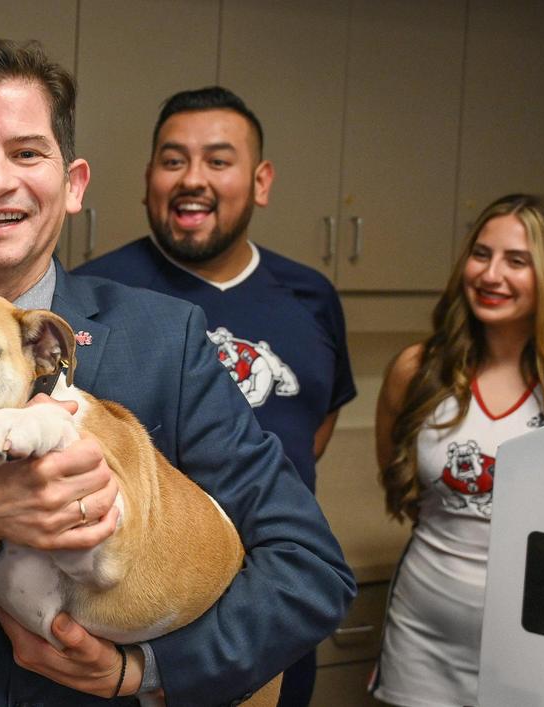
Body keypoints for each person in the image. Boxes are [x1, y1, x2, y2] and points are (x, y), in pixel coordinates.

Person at [0, 38, 354, 706]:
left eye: (27, 152)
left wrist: (146, 670)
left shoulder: (164, 340)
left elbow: (309, 569)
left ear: (74, 183)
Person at [73, 86, 357, 707]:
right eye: (173, 161)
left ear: (261, 180)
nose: (192, 180)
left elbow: (315, 426)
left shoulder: (310, 296)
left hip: (274, 615)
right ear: (148, 178)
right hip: (141, 621)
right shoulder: (95, 299)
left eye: (218, 161)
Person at [371, 193, 544, 706]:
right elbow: (398, 479)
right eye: (482, 253)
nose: (491, 274)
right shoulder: (417, 370)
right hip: (423, 636)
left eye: (517, 261)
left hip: (539, 641)